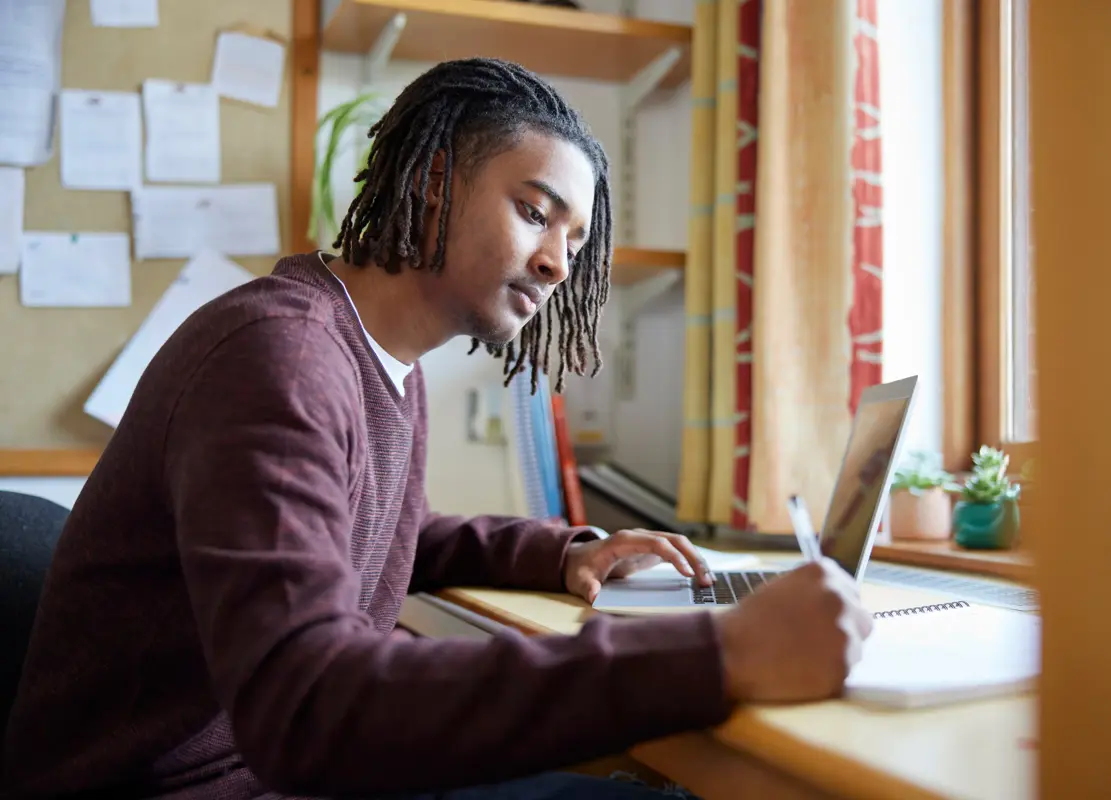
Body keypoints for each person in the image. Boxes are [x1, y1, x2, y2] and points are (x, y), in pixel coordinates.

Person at [1, 58, 873, 800]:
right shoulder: (280, 357)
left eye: (574, 238)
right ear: (431, 182)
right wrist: (716, 652)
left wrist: (560, 551)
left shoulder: (371, 356)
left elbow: (383, 532)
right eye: (536, 213)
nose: (557, 264)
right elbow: (304, 705)